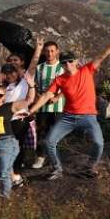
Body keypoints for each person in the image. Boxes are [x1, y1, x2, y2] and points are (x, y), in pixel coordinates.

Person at [28, 28, 110, 180]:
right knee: (49, 142)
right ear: (61, 65)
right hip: (68, 117)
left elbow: (102, 56)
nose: (68, 65)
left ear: (76, 61)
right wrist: (31, 111)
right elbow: (47, 95)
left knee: (99, 144)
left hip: (88, 117)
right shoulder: (60, 79)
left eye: (70, 61)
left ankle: (89, 167)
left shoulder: (86, 70)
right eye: (64, 63)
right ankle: (57, 169)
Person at [32, 40, 64, 169]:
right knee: (40, 132)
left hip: (58, 106)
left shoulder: (62, 67)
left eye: (52, 51)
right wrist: (38, 96)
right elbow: (34, 85)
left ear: (57, 51)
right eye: (47, 51)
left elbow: (68, 86)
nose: (50, 53)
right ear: (44, 52)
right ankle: (40, 157)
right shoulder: (40, 68)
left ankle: (54, 159)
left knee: (55, 134)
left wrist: (58, 97)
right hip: (42, 107)